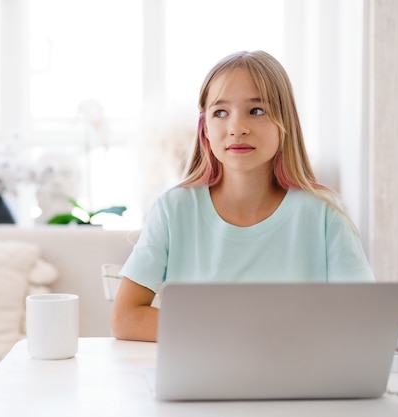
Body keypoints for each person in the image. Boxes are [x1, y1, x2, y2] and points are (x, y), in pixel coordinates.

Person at [110, 50, 375, 342]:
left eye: (257, 110)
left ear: (285, 123)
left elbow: (361, 318)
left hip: (297, 384)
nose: (237, 127)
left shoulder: (325, 213)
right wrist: (235, 332)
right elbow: (125, 318)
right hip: (200, 382)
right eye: (220, 112)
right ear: (205, 129)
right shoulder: (173, 209)